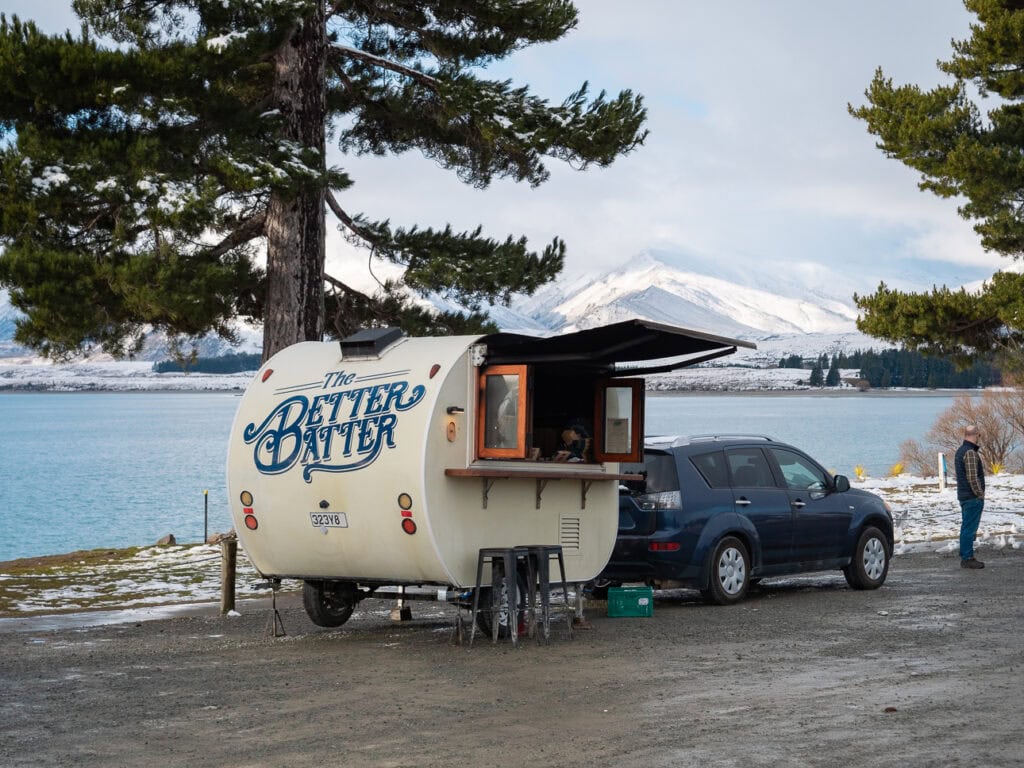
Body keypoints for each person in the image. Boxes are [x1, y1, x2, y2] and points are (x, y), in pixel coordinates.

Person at [954, 424, 986, 569]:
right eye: (978, 435)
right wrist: (980, 494)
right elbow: (973, 478)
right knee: (969, 528)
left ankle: (966, 555)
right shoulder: (970, 453)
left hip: (963, 494)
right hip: (971, 497)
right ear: (976, 435)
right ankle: (967, 557)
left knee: (966, 526)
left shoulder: (960, 451)